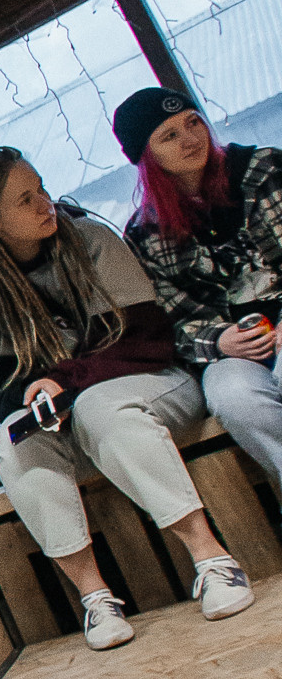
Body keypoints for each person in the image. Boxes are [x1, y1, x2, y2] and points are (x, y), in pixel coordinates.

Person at [0, 146, 252, 645]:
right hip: (73, 420)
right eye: (27, 199)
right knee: (13, 442)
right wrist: (29, 398)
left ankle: (213, 559)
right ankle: (96, 600)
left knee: (100, 406)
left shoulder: (90, 238)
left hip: (157, 386)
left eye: (42, 187)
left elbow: (146, 340)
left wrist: (64, 383)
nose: (46, 202)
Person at [116, 84, 282, 501]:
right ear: (146, 155)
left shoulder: (264, 170)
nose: (190, 139)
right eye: (169, 135)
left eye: (193, 123)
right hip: (234, 344)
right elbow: (168, 324)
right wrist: (218, 340)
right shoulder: (144, 233)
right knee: (232, 396)